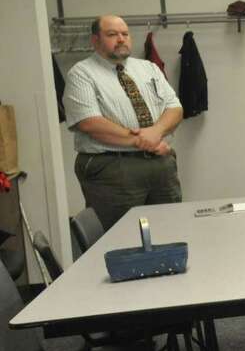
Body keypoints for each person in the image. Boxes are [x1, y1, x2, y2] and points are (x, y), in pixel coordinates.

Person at [62, 15, 184, 231]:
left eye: (124, 34)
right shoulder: (81, 74)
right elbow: (90, 123)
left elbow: (175, 109)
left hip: (160, 165)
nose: (121, 39)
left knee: (169, 232)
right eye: (112, 34)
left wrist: (156, 131)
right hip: (113, 169)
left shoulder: (149, 68)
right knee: (121, 238)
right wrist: (145, 141)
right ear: (95, 40)